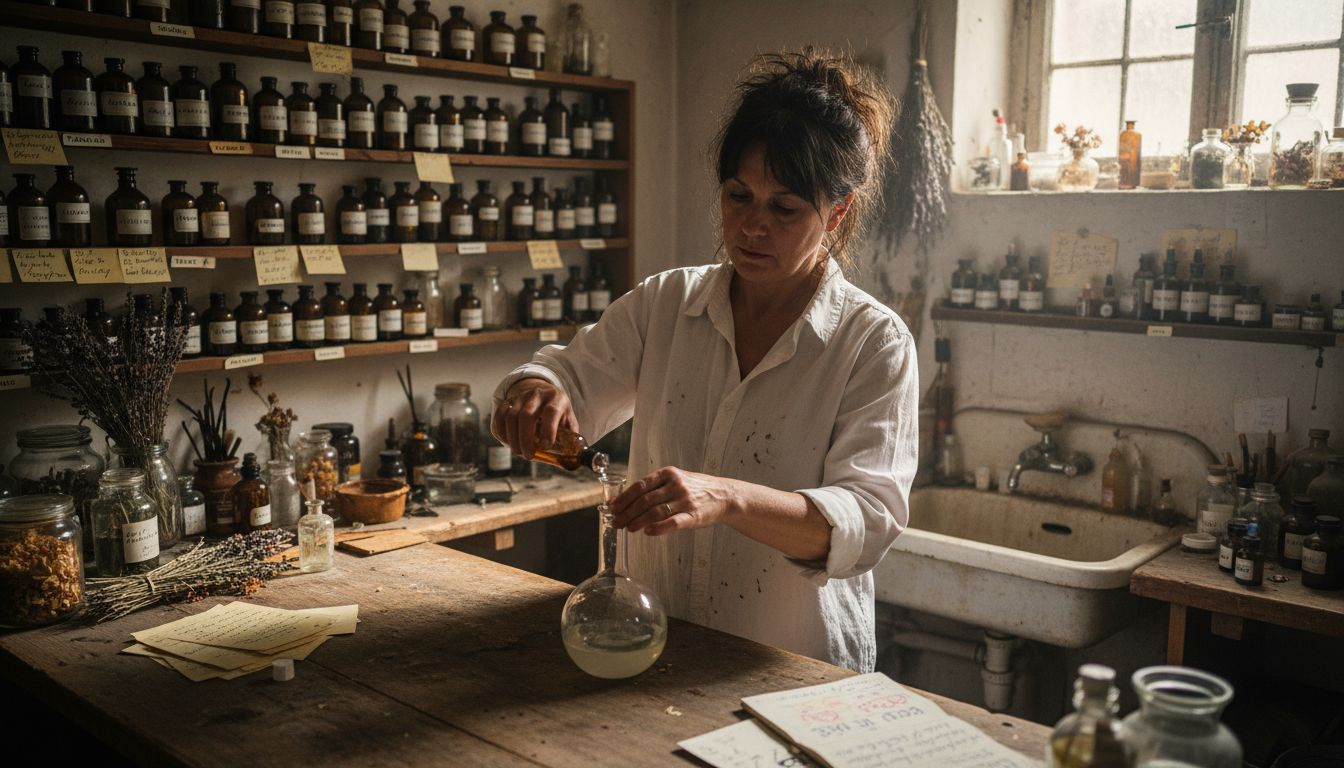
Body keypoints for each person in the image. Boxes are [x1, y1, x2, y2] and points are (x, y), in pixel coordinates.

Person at [492, 48, 917, 672]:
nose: (751, 226)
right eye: (738, 195)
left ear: (837, 211)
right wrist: (536, 389)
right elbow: (567, 375)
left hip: (793, 671)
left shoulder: (871, 343)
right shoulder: (669, 304)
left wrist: (727, 496)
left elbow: (864, 522)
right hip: (656, 648)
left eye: (784, 208)